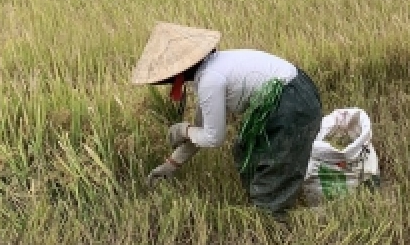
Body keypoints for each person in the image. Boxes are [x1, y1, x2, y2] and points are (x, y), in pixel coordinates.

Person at [132, 22, 323, 215]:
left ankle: (280, 214)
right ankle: (269, 199)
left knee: (274, 172)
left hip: (292, 105)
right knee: (246, 152)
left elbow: (213, 138)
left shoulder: (210, 79)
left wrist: (183, 130)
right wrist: (171, 164)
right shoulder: (214, 67)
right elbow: (202, 128)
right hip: (291, 92)